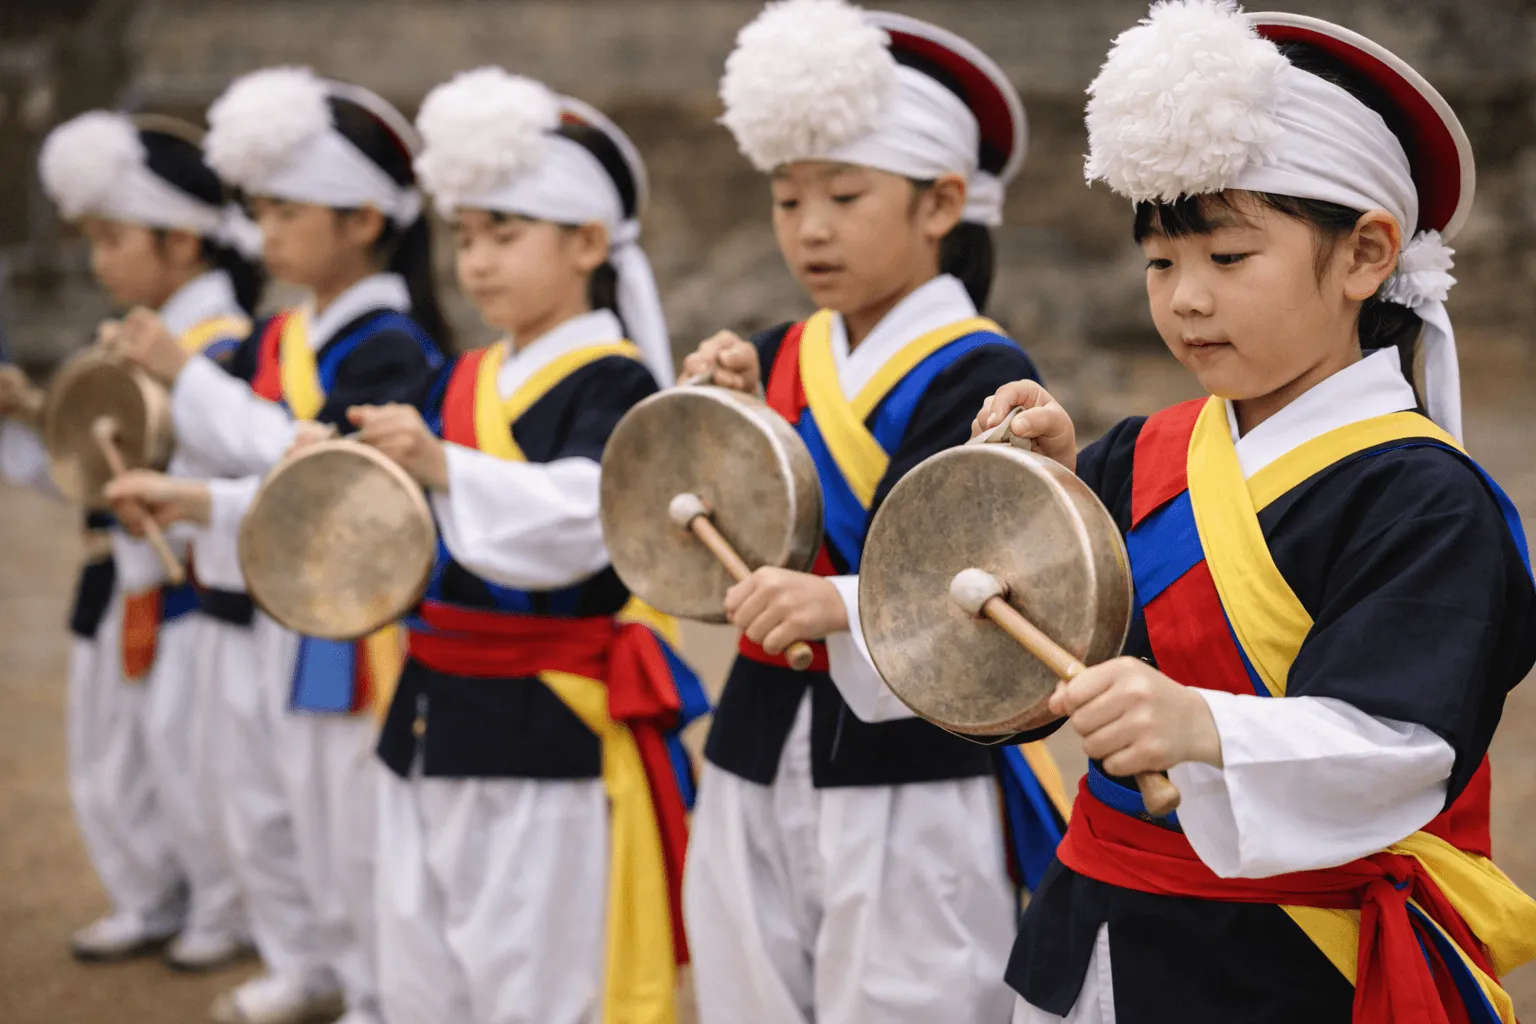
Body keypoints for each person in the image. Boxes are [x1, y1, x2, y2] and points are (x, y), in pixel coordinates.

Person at [982, 4, 1536, 1022]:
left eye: (1227, 259)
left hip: (1280, 966)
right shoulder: (1142, 455)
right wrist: (1047, 489)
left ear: (1368, 253)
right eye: (1161, 262)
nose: (1186, 298)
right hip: (1091, 928)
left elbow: (1402, 747)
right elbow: (1000, 604)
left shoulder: (1427, 501)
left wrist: (1200, 723)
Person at [680, 3, 1067, 1021]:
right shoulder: (775, 356)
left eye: (844, 195)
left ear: (942, 202)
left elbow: (991, 569)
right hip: (756, 736)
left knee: (910, 989)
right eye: (787, 198)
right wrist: (715, 420)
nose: (809, 227)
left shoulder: (983, 370)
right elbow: (706, 531)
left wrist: (838, 605)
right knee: (746, 977)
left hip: (913, 760)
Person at [342, 67, 703, 1024]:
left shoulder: (616, 385)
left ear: (589, 242)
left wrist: (447, 468)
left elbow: (593, 513)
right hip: (432, 703)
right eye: (465, 235)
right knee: (422, 949)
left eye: (505, 233)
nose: (478, 260)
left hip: (547, 720)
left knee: (535, 967)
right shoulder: (459, 379)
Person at [109, 66, 444, 1024]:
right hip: (267, 598)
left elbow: (323, 478)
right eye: (260, 209)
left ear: (365, 220)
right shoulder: (280, 332)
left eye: (290, 209)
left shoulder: (393, 345)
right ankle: (308, 958)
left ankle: (378, 989)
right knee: (268, 798)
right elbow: (244, 447)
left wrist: (192, 396)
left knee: (351, 812)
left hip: (350, 613)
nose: (267, 231)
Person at [15, 110, 264, 967]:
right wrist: (33, 424)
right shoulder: (130, 341)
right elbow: (94, 479)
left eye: (114, 238)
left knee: (196, 761)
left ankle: (221, 908)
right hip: (121, 582)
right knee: (113, 754)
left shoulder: (225, 347)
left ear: (184, 244)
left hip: (194, 585)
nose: (98, 261)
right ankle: (146, 894)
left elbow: (235, 457)